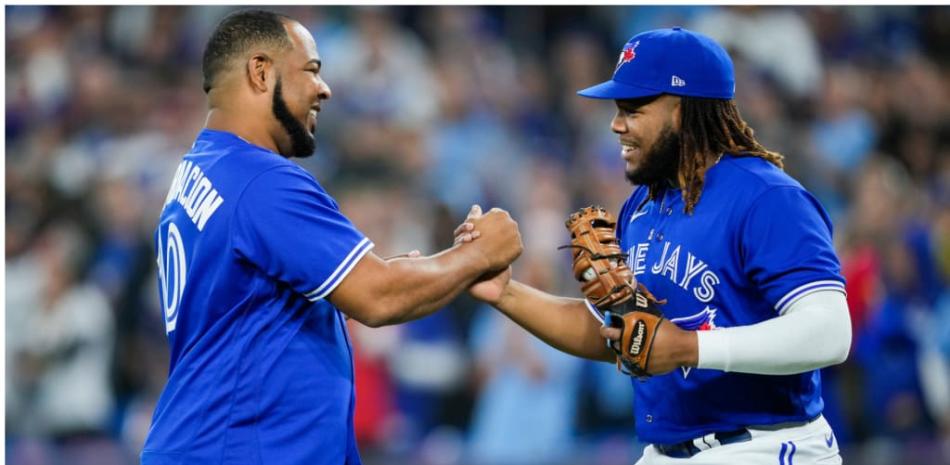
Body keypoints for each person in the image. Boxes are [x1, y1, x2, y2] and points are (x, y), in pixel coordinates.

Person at [142, 10, 521, 465]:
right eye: (312, 71)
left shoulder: (199, 172)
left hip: (220, 440)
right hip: (241, 449)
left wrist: (405, 272)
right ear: (261, 73)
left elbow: (257, 310)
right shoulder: (260, 181)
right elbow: (378, 298)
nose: (325, 89)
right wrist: (479, 254)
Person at [457, 27, 852, 464]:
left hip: (762, 444)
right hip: (663, 450)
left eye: (634, 108)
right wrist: (506, 294)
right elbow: (618, 334)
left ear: (682, 110)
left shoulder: (767, 197)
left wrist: (687, 348)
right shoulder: (641, 207)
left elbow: (830, 332)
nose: (616, 124)